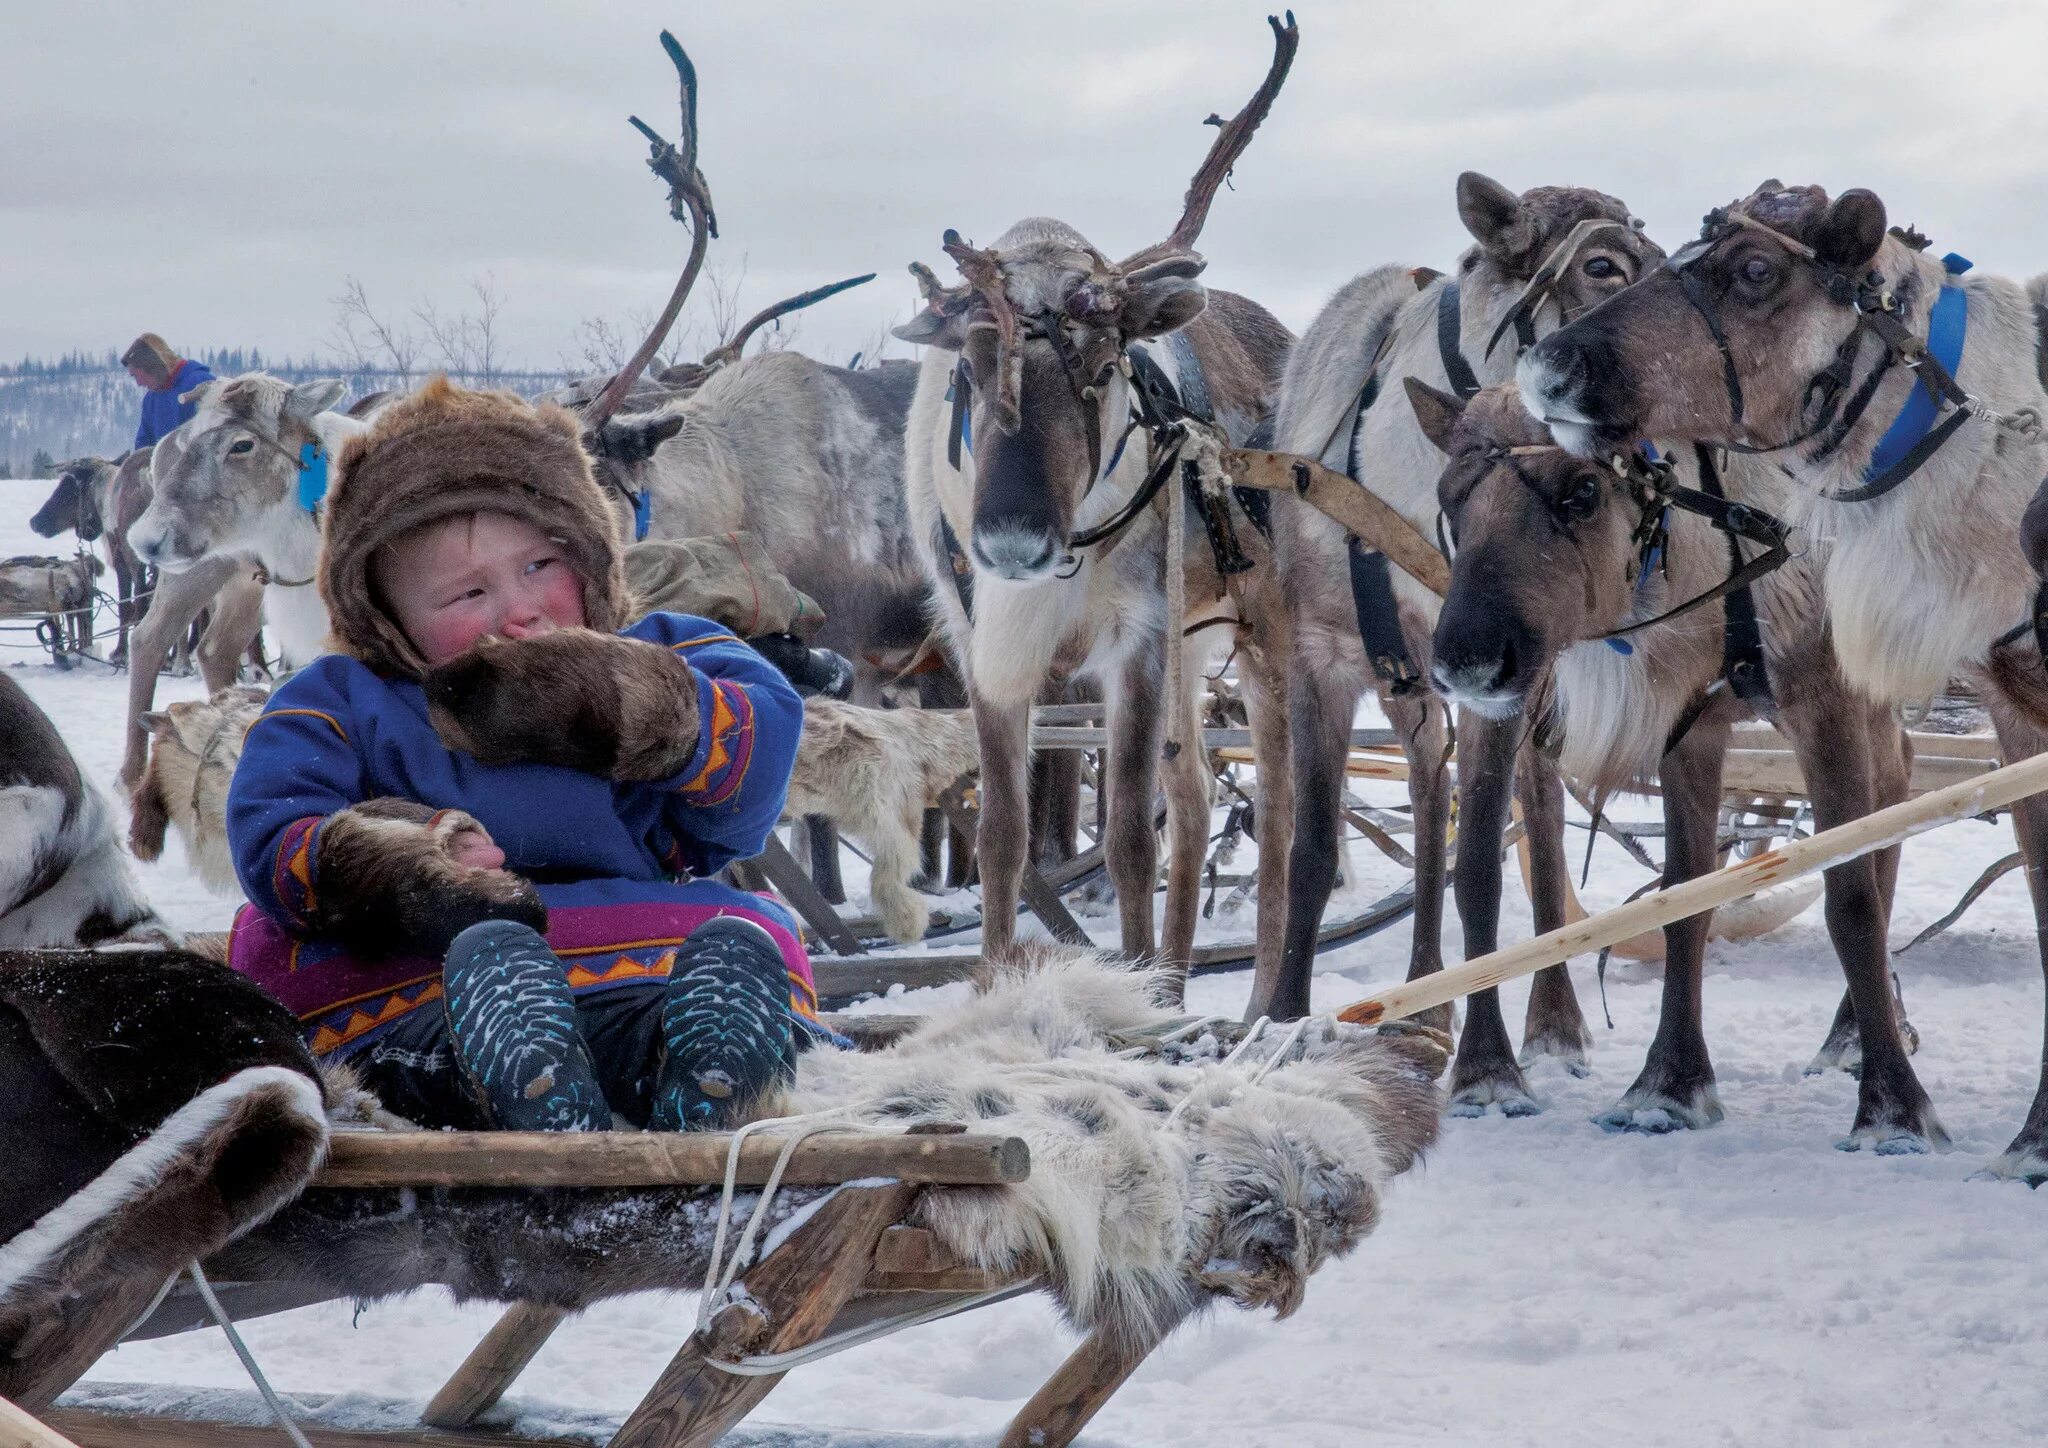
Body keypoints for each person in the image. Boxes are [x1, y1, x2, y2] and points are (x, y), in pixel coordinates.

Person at [225, 377, 823, 1133]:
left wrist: (640, 705)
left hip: (633, 947)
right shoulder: (345, 698)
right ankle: (508, 1078)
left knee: (738, 935)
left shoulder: (657, 649)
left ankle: (699, 1069)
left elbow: (754, 771)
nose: (519, 610)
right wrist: (408, 857)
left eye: (541, 566)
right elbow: (275, 831)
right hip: (429, 970)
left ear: (592, 555)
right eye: (466, 594)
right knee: (388, 992)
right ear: (386, 619)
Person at [122, 333, 216, 449]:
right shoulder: (151, 399)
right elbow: (144, 446)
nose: (139, 383)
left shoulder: (200, 383)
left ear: (152, 366)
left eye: (137, 376)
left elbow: (217, 436)